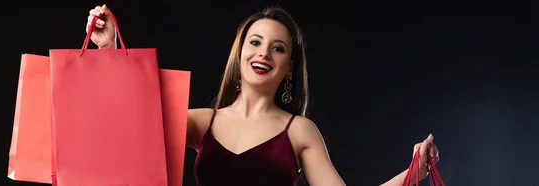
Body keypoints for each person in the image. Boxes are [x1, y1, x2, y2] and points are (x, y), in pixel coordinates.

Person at [86, 4, 440, 186]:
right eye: (255, 43)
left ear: (288, 67)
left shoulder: (300, 130)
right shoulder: (198, 121)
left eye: (278, 48)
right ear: (239, 53)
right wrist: (110, 52)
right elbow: (127, 132)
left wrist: (413, 171)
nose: (263, 54)